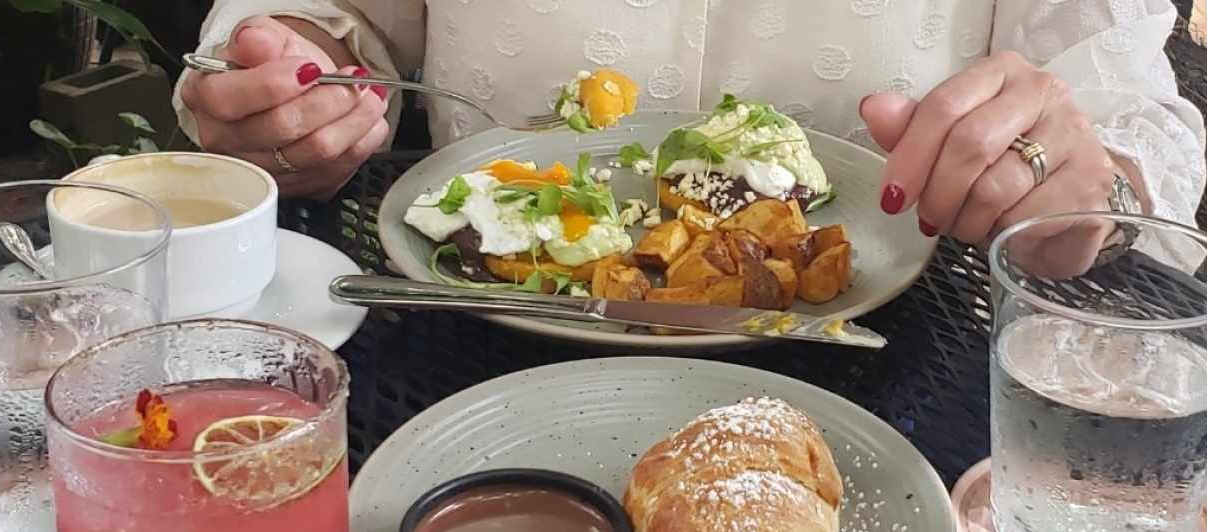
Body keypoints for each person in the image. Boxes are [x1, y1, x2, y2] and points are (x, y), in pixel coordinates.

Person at [175, 0, 1204, 265]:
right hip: (458, 360)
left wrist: (1082, 191)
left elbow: (1122, 121)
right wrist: (290, 86)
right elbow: (330, 21)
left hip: (894, 396)